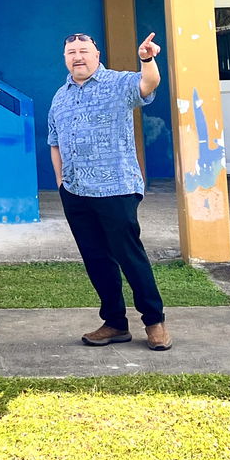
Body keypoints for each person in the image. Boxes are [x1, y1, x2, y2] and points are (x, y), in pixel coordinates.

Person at [47, 31, 171, 351]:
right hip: (75, 192)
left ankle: (154, 322)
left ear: (96, 55)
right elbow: (55, 142)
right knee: (96, 260)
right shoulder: (60, 97)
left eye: (84, 50)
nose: (78, 56)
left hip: (116, 188)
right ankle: (114, 323)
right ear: (65, 58)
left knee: (129, 257)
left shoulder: (117, 83)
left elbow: (148, 84)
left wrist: (146, 59)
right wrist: (61, 184)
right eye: (71, 52)